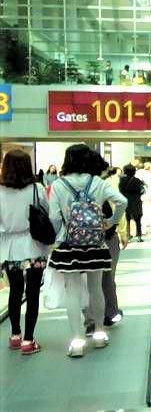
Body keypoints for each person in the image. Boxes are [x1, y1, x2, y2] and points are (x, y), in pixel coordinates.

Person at [47, 143, 126, 358]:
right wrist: (111, 221)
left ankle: (77, 341)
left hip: (68, 244)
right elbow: (122, 201)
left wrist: (59, 235)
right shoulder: (97, 182)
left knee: (72, 291)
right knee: (96, 288)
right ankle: (99, 334)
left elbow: (54, 217)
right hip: (95, 242)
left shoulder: (59, 184)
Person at [0, 148, 51, 355]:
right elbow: (46, 211)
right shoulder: (36, 188)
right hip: (33, 245)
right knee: (32, 293)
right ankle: (28, 340)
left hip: (9, 247)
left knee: (15, 291)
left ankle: (15, 335)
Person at [91, 162, 125, 328]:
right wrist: (118, 227)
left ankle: (90, 319)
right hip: (107, 236)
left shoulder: (65, 185)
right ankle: (110, 312)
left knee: (87, 280)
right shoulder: (104, 186)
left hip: (80, 240)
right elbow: (121, 203)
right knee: (107, 277)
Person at [119, 164, 145, 241]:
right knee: (138, 219)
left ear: (125, 171)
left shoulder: (122, 180)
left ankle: (128, 235)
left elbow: (120, 190)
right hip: (136, 201)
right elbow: (142, 191)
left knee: (127, 219)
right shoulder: (138, 181)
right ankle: (139, 236)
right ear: (134, 171)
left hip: (126, 201)